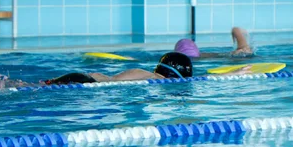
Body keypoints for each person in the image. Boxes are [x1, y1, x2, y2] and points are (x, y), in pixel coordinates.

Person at [43, 51, 252, 85]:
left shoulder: (147, 74)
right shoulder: (157, 80)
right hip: (84, 82)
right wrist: (232, 74)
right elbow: (202, 81)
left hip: (84, 78)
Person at [174, 27, 253, 59]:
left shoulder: (201, 56)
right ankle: (236, 31)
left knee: (243, 51)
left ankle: (236, 30)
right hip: (237, 55)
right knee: (243, 51)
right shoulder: (201, 55)